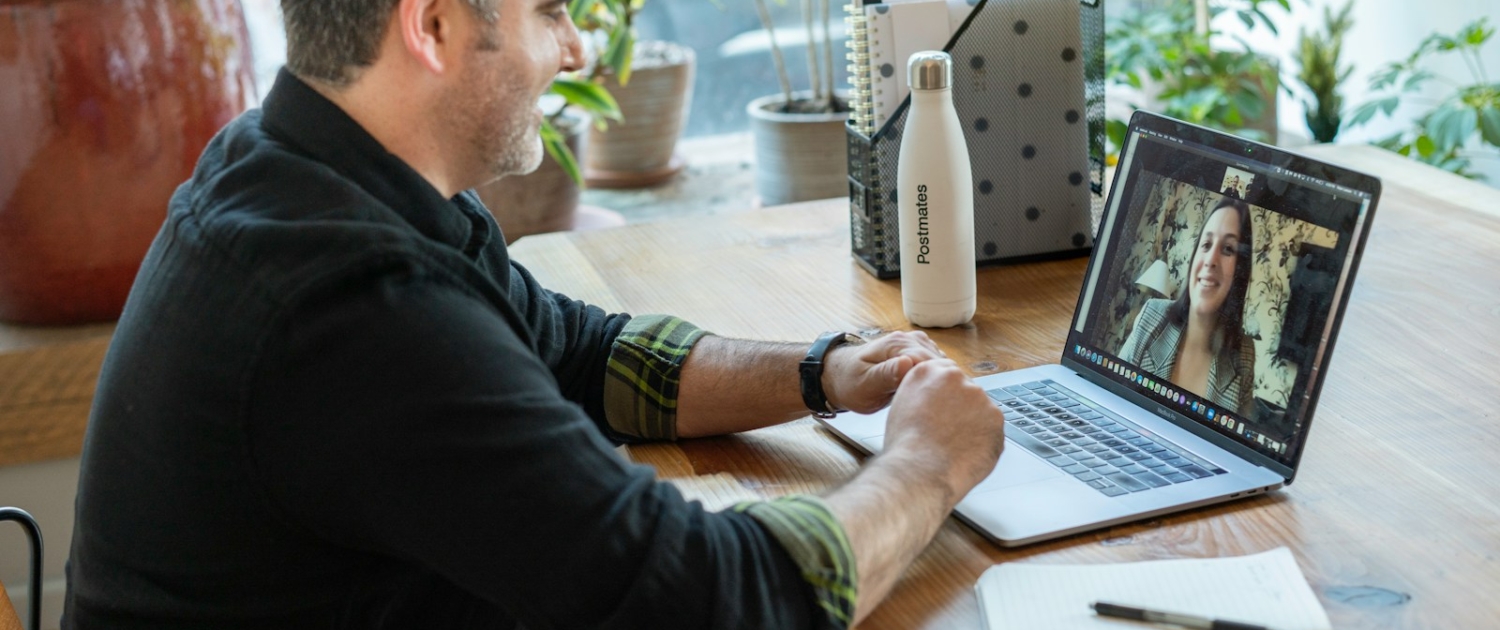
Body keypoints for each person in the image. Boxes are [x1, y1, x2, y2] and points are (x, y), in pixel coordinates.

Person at [61, 1, 1006, 628]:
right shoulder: (356, 307)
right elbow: (715, 604)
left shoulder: (307, 166)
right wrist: (929, 463)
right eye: (549, 10)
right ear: (431, 24)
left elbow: (582, 355)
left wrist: (822, 371)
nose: (577, 48)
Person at [1119, 198, 1256, 416]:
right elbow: (1111, 395)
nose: (1211, 260)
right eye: (1206, 244)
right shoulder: (1151, 316)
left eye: (1228, 249)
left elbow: (1235, 444)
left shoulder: (1244, 355)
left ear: (1239, 271)